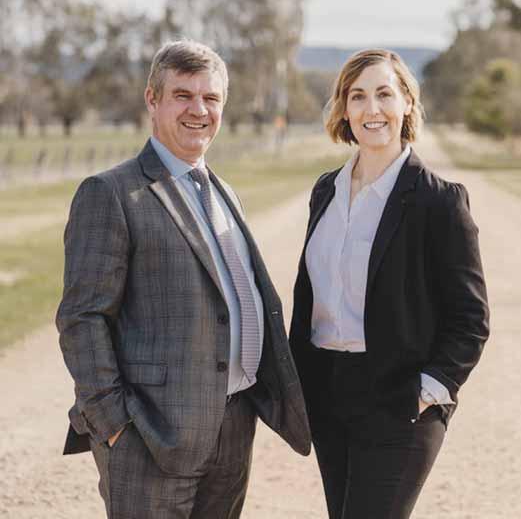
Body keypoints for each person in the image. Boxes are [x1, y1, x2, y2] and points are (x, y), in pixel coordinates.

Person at [56, 39, 311, 519]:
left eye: (211, 98)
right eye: (183, 95)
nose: (199, 110)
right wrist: (115, 425)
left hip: (233, 429)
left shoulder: (224, 192)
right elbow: (81, 319)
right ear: (152, 100)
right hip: (150, 436)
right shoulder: (111, 193)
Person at [289, 49, 489, 519]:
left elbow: (471, 319)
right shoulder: (325, 191)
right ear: (344, 109)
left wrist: (429, 390)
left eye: (384, 94)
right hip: (328, 394)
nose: (371, 108)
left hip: (401, 400)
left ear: (407, 104)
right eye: (357, 96)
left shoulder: (439, 202)